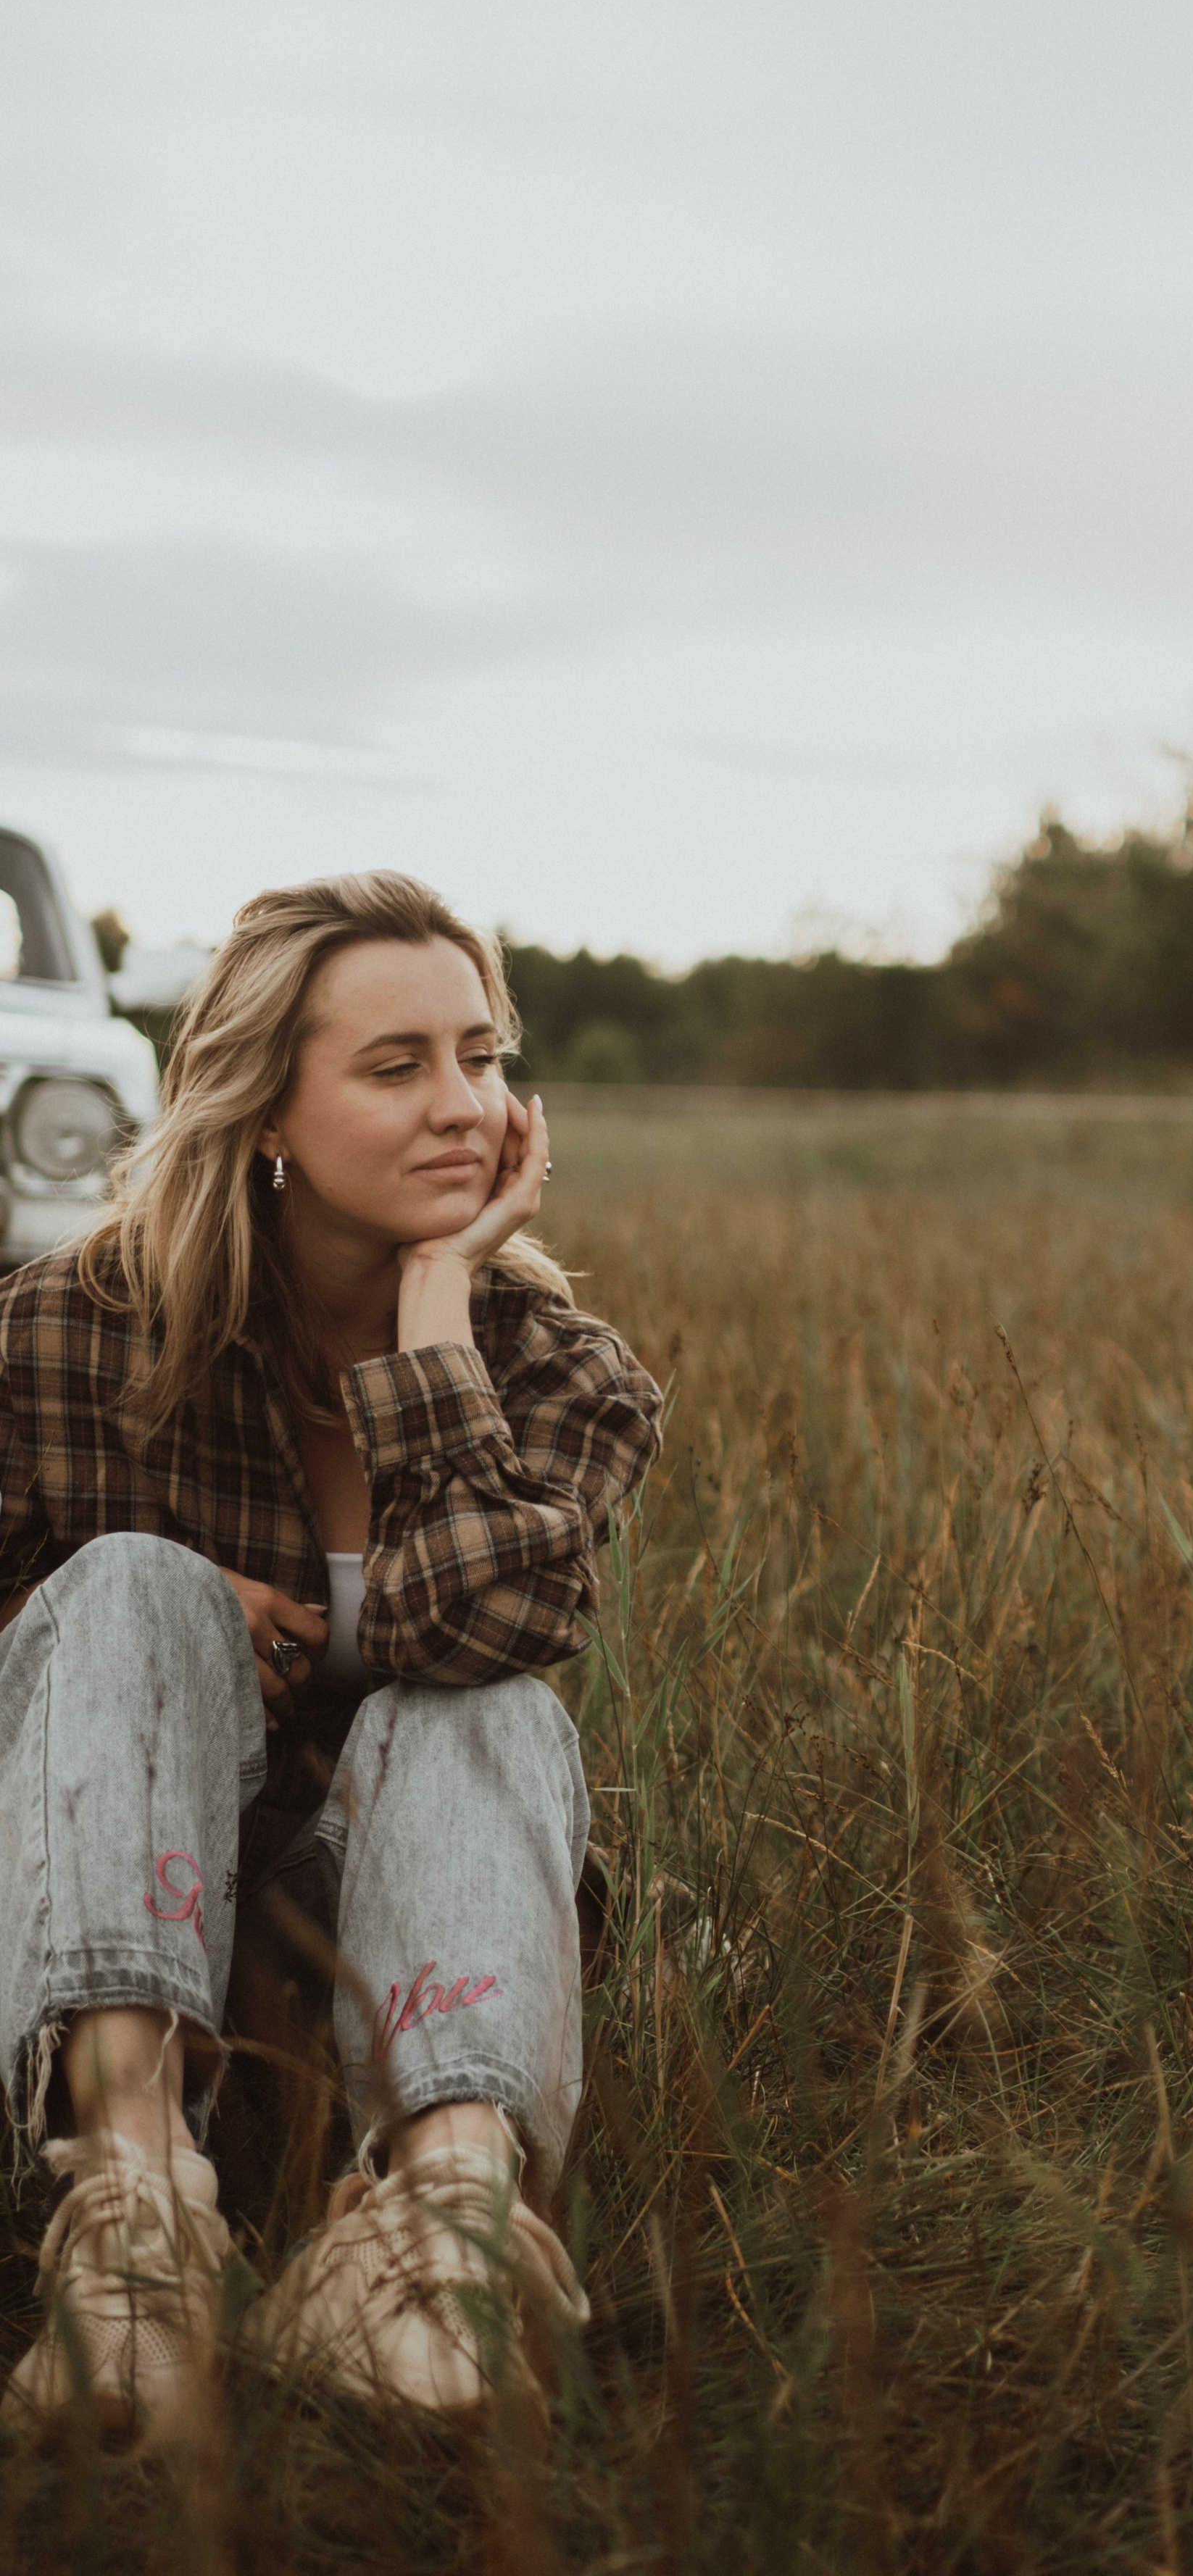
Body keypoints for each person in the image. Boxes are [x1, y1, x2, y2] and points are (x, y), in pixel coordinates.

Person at [0, 872, 662, 2439]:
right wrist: (134, 1617)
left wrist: (436, 1333)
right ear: (267, 1112)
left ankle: (436, 2248)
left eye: (482, 1057)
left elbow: (486, 1623)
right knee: (129, 1589)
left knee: (486, 1702)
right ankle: (132, 2237)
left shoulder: (563, 1373)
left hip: (396, 1975)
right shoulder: (56, 1337)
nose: (464, 1108)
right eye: (397, 1066)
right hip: (94, 1942)